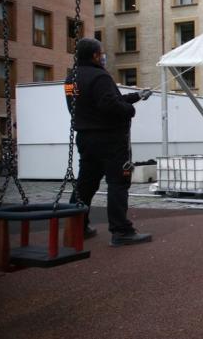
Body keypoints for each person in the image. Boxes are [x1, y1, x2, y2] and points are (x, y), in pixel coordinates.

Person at [64, 38, 153, 247]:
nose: (103, 56)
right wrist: (131, 110)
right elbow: (109, 105)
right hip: (111, 140)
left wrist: (136, 96)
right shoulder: (100, 76)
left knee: (86, 183)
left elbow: (100, 100)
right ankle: (121, 231)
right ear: (95, 55)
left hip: (86, 138)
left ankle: (76, 226)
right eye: (101, 53)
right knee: (118, 183)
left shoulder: (70, 79)